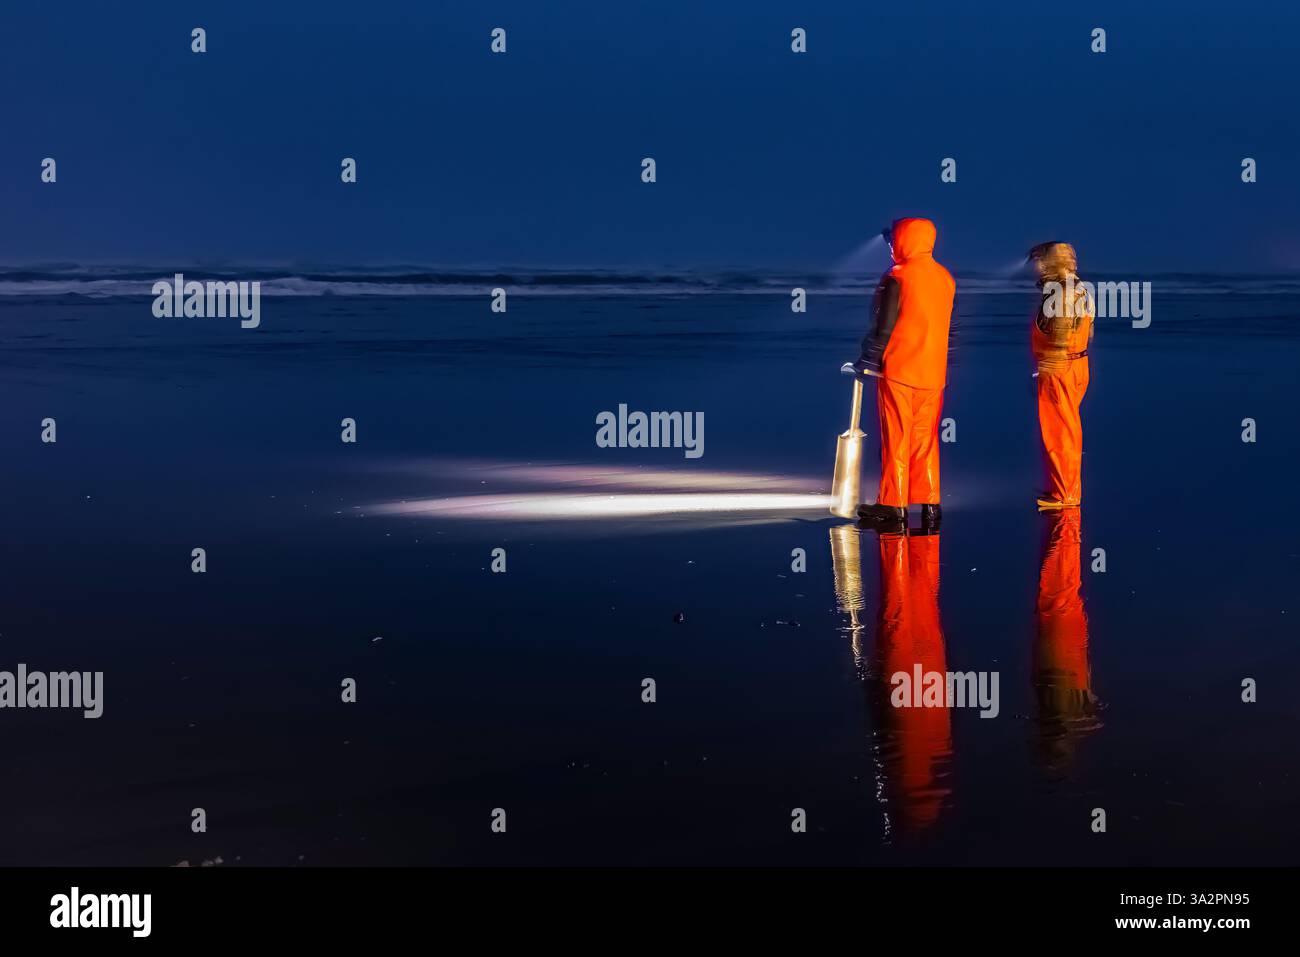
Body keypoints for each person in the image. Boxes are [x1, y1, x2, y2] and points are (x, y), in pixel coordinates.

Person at [851, 218, 956, 530]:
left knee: (896, 437)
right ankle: (930, 504)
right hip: (934, 372)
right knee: (925, 439)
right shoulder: (946, 278)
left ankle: (893, 504)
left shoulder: (897, 276)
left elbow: (884, 326)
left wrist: (867, 360)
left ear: (904, 240)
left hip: (900, 370)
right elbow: (950, 328)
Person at [1028, 242, 1092, 509]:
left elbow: (1063, 327)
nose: (1033, 266)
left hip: (1060, 368)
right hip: (1077, 365)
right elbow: (1088, 331)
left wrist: (1053, 360)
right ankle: (1066, 487)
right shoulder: (1081, 288)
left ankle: (1065, 495)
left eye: (1038, 261)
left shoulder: (1061, 293)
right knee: (1068, 429)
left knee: (1060, 433)